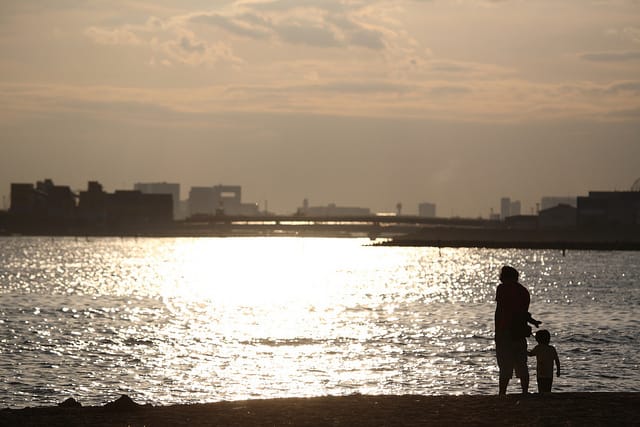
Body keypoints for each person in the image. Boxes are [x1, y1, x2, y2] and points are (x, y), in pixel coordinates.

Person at [494, 266, 541, 395]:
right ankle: (525, 391)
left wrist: (497, 332)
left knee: (505, 365)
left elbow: (501, 311)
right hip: (520, 332)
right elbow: (523, 313)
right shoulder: (524, 291)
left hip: (504, 331)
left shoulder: (502, 289)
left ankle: (502, 393)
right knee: (521, 364)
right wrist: (532, 321)